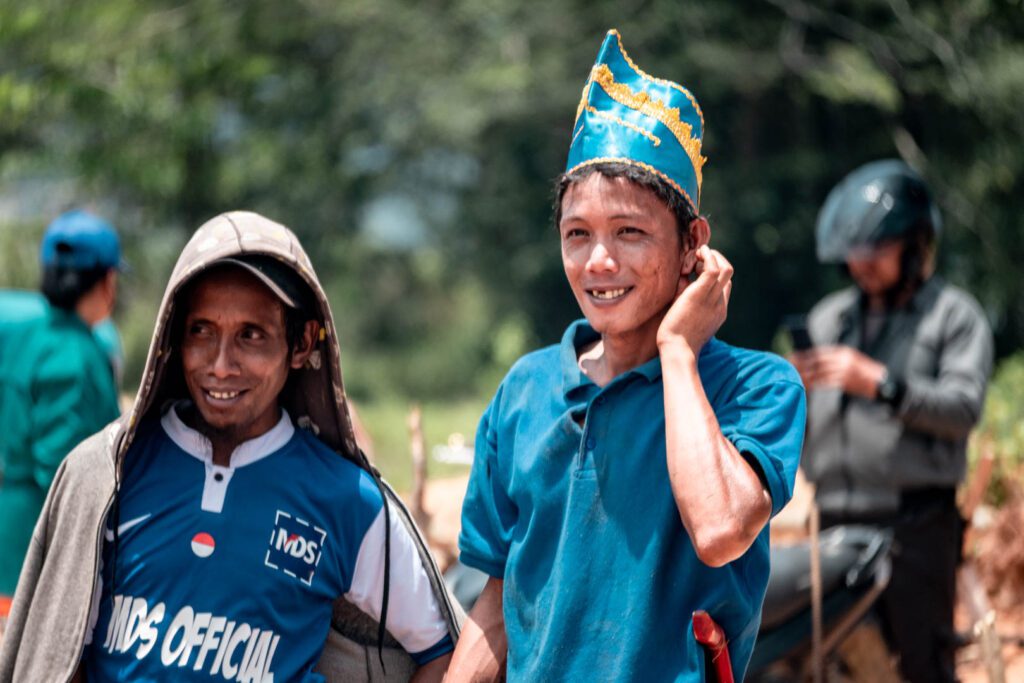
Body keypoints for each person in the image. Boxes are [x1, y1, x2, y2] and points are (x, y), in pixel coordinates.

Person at [446, 30, 806, 682]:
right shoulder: (526, 392)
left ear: (694, 243)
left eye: (630, 232)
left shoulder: (756, 386)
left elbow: (722, 526)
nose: (599, 262)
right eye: (577, 235)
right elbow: (499, 600)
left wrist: (675, 349)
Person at [0, 211, 462, 681]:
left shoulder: (350, 503)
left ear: (301, 343)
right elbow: (61, 653)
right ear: (173, 336)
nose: (221, 365)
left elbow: (442, 651)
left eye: (251, 335)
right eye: (202, 330)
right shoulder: (108, 476)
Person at [791, 159, 993, 683]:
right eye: (854, 251)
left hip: (915, 527)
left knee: (921, 665)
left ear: (915, 244)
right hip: (833, 525)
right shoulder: (829, 318)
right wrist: (793, 391)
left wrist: (881, 384)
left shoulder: (954, 315)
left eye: (877, 249)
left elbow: (962, 408)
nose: (862, 262)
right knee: (831, 666)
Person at [0, 210, 122, 601]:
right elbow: (60, 471)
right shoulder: (77, 355)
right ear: (107, 281)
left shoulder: (27, 332)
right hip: (34, 550)